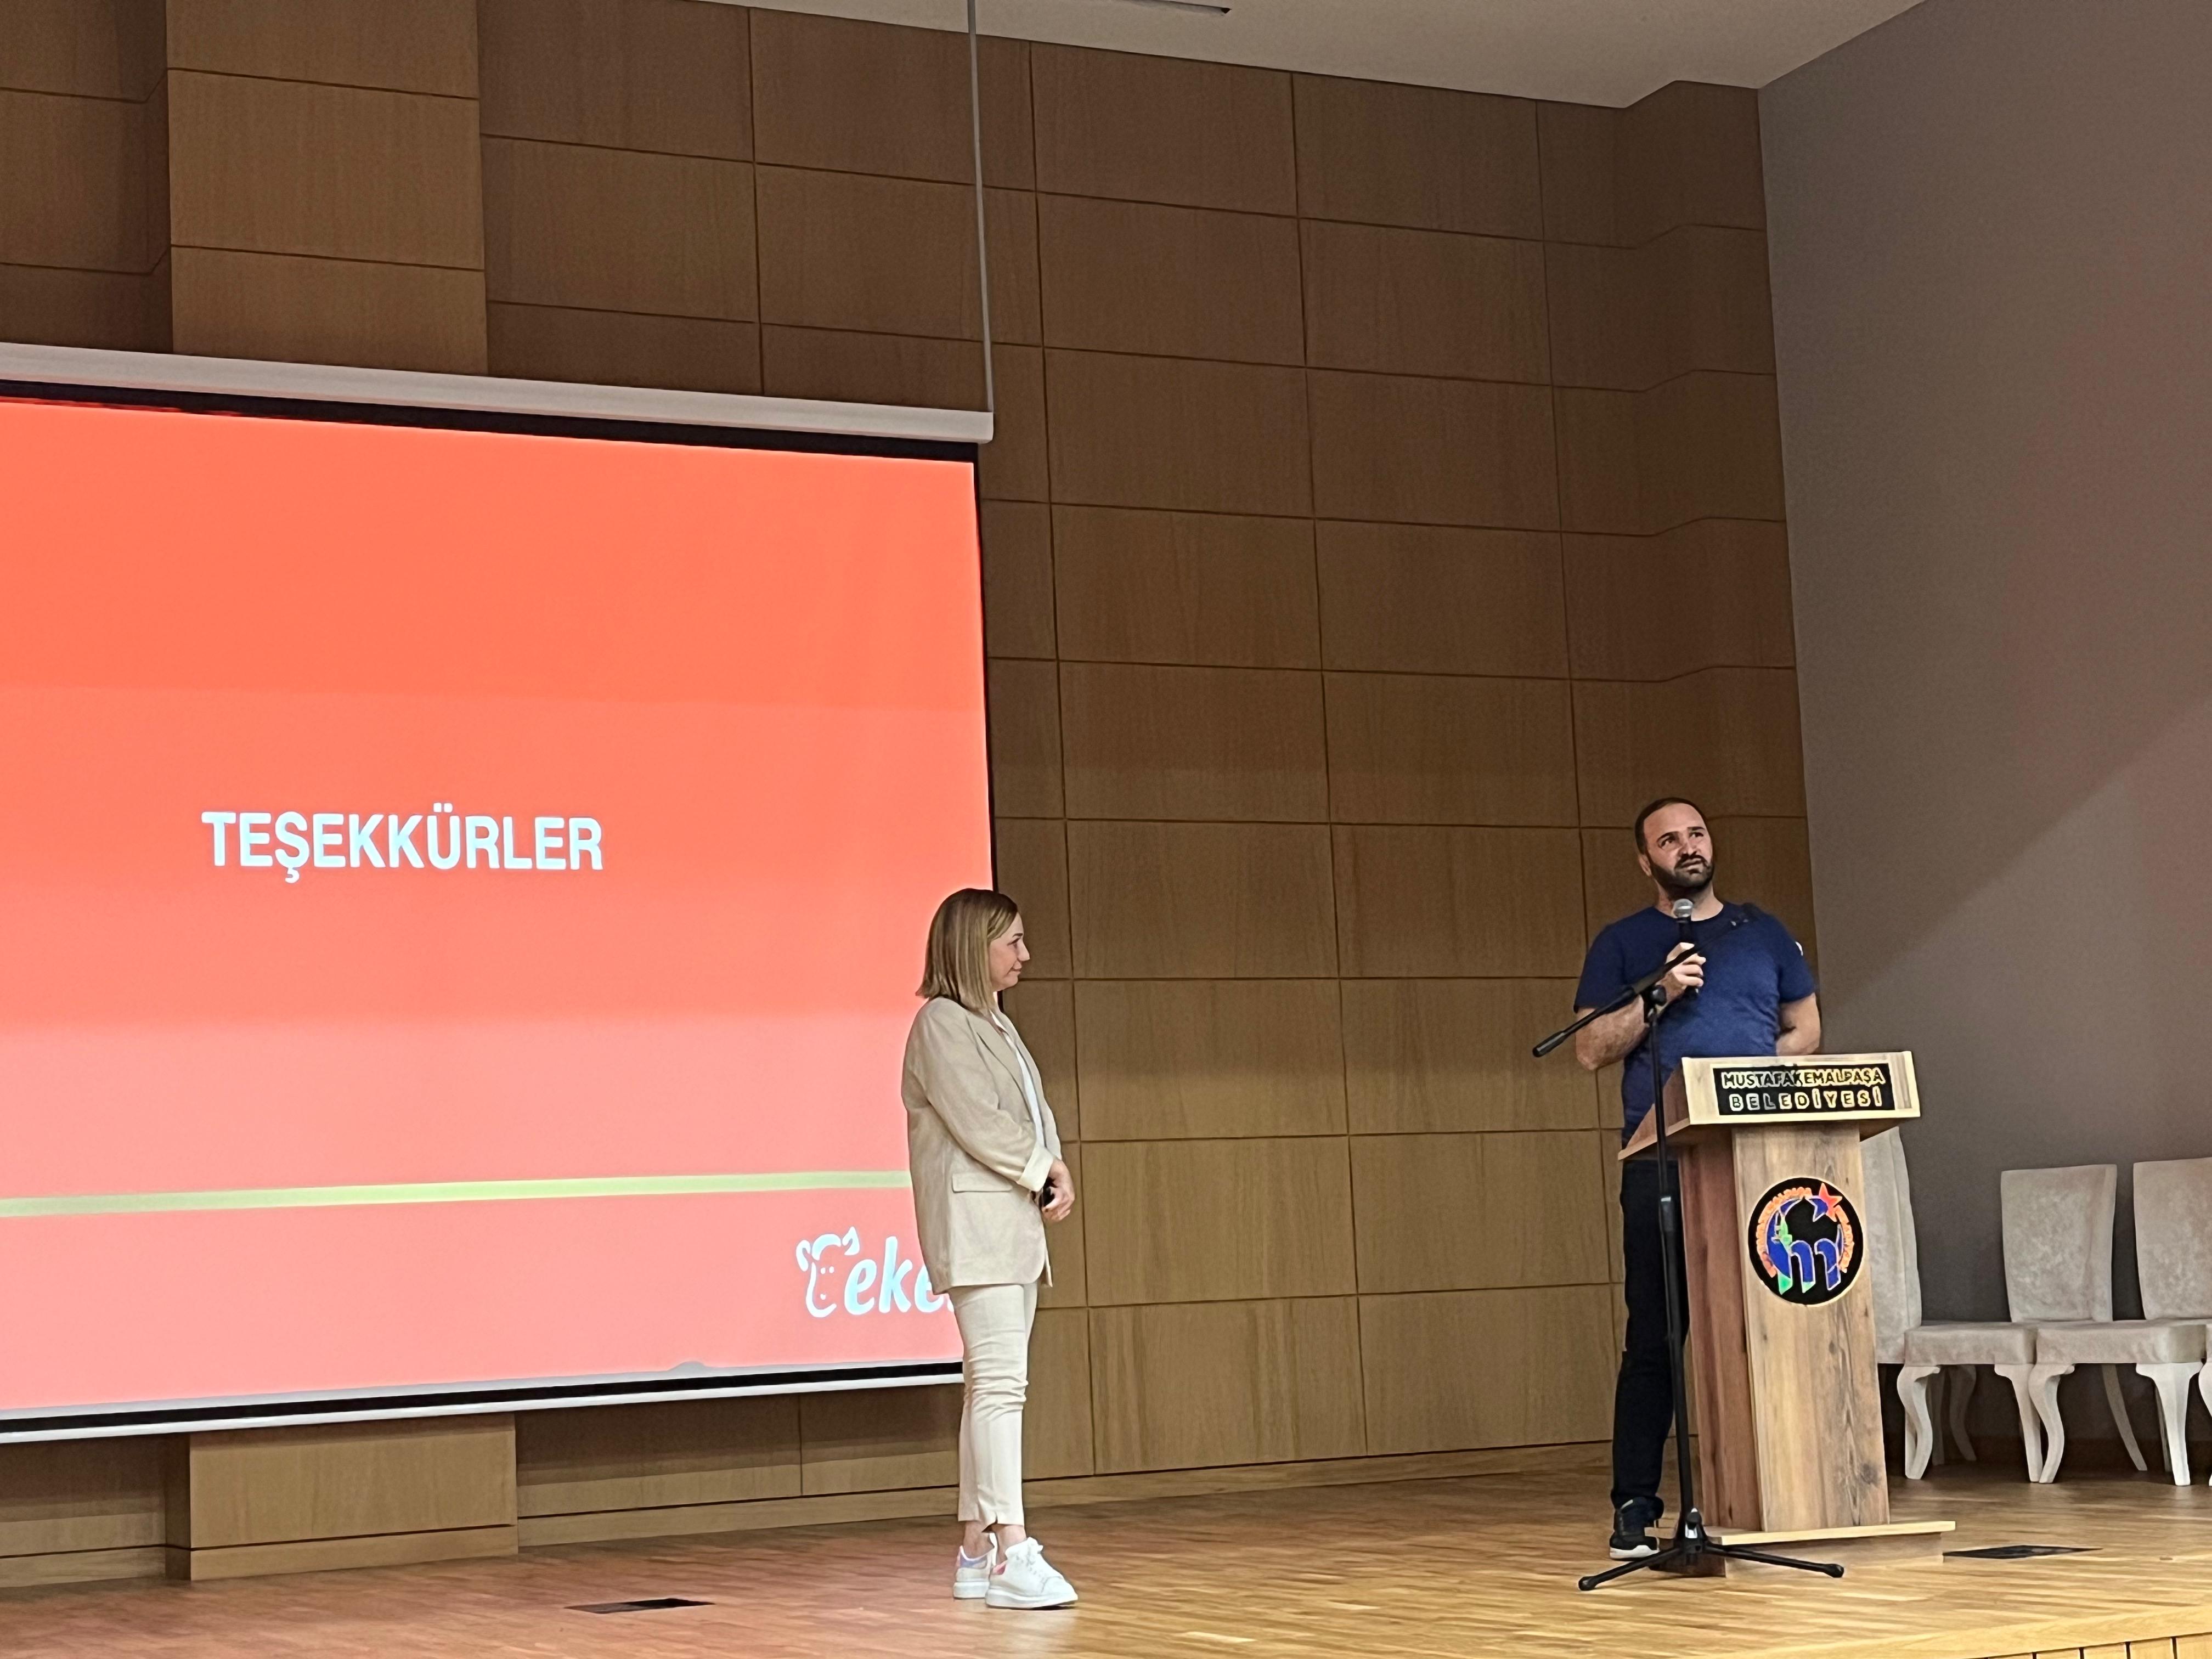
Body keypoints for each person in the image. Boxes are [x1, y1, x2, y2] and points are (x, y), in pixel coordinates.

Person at [1572, 798, 1820, 1561]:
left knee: (1766, 1327)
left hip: (1758, 1161)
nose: (1687, 847)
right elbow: (1589, 1048)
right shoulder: (1624, 943)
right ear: (1645, 861)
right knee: (1656, 1333)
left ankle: (1781, 1491)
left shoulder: (1763, 933)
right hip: (1661, 1161)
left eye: (1697, 834)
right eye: (1669, 840)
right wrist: (1660, 995)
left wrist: (1745, 1088)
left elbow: (1806, 1029)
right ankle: (1635, 1505)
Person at [903, 888, 1079, 1610]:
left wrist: (1054, 1167)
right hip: (978, 1231)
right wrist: (1044, 1168)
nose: (1025, 955)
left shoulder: (995, 1023)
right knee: (1002, 1388)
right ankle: (1013, 1549)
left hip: (1009, 1231)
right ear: (972, 948)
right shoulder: (942, 1024)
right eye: (1012, 941)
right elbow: (979, 1119)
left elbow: (1032, 1114)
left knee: (991, 1387)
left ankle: (976, 1552)